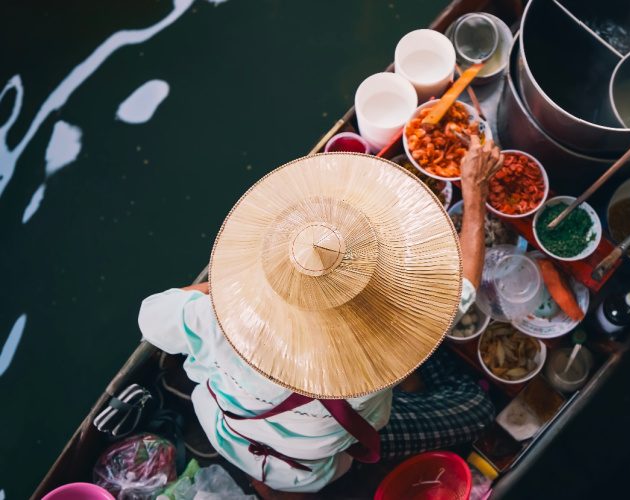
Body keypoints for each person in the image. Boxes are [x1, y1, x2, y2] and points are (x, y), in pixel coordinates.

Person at [138, 137, 505, 494]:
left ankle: (267, 482)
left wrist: (220, 295)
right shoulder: (383, 346)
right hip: (313, 467)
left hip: (228, 430)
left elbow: (150, 316)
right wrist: (474, 193)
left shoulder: (215, 319)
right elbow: (463, 289)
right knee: (477, 407)